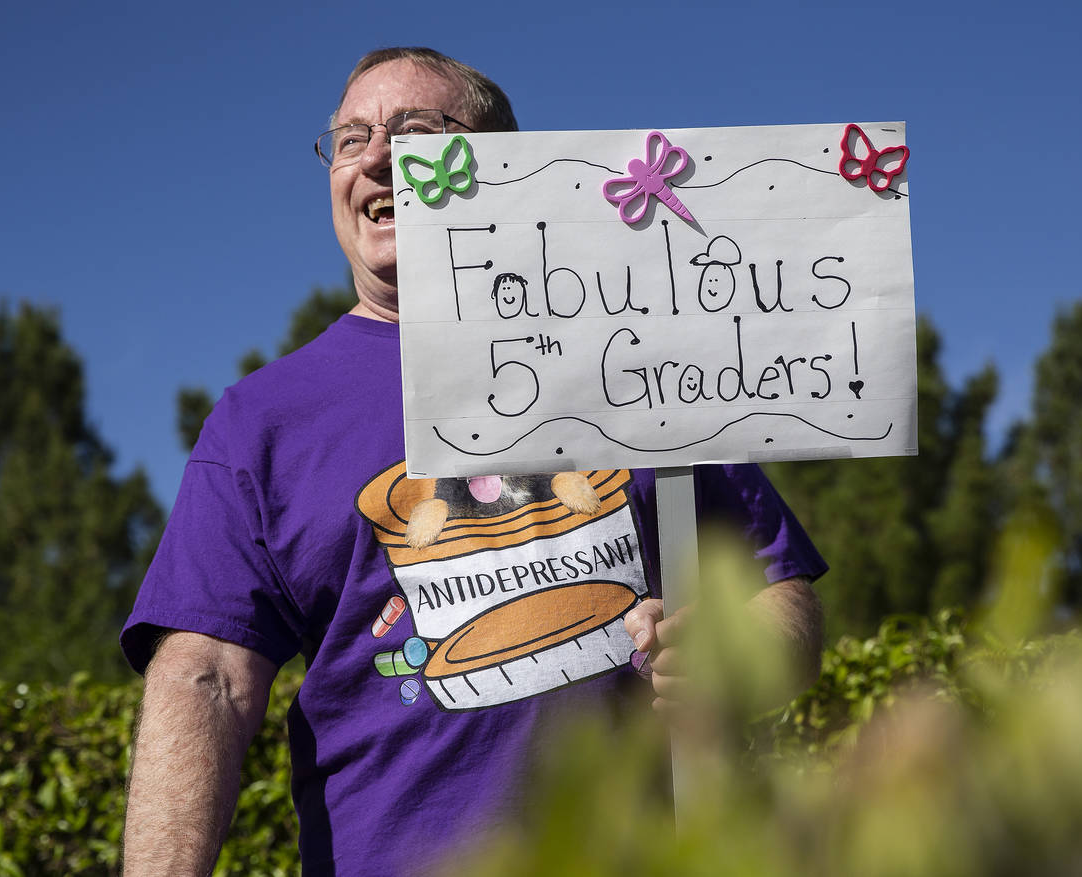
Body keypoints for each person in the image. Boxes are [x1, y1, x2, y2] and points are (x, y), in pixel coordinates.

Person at [121, 47, 827, 876]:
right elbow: (205, 678)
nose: (376, 155)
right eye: (349, 139)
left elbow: (785, 603)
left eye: (416, 130)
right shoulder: (263, 423)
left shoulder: (638, 360)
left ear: (506, 167)